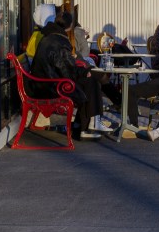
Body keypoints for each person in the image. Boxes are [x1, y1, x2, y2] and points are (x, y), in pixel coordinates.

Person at [29, 11, 108, 140]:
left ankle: (83, 124)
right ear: (70, 26)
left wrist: (82, 70)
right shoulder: (59, 41)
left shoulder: (49, 36)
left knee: (89, 79)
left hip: (42, 82)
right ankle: (87, 125)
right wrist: (84, 72)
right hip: (49, 86)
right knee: (89, 81)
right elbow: (66, 70)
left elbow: (61, 64)